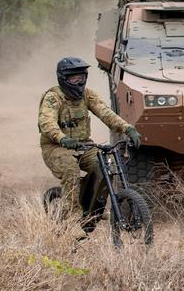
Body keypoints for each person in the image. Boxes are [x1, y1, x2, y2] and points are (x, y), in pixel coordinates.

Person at [38, 57, 141, 238]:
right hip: (56, 147)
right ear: (63, 78)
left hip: (84, 144)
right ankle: (72, 220)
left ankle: (95, 207)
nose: (78, 82)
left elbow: (105, 112)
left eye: (81, 77)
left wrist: (127, 128)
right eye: (73, 79)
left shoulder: (87, 95)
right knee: (70, 170)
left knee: (106, 166)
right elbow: (47, 123)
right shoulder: (53, 98)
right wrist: (62, 139)